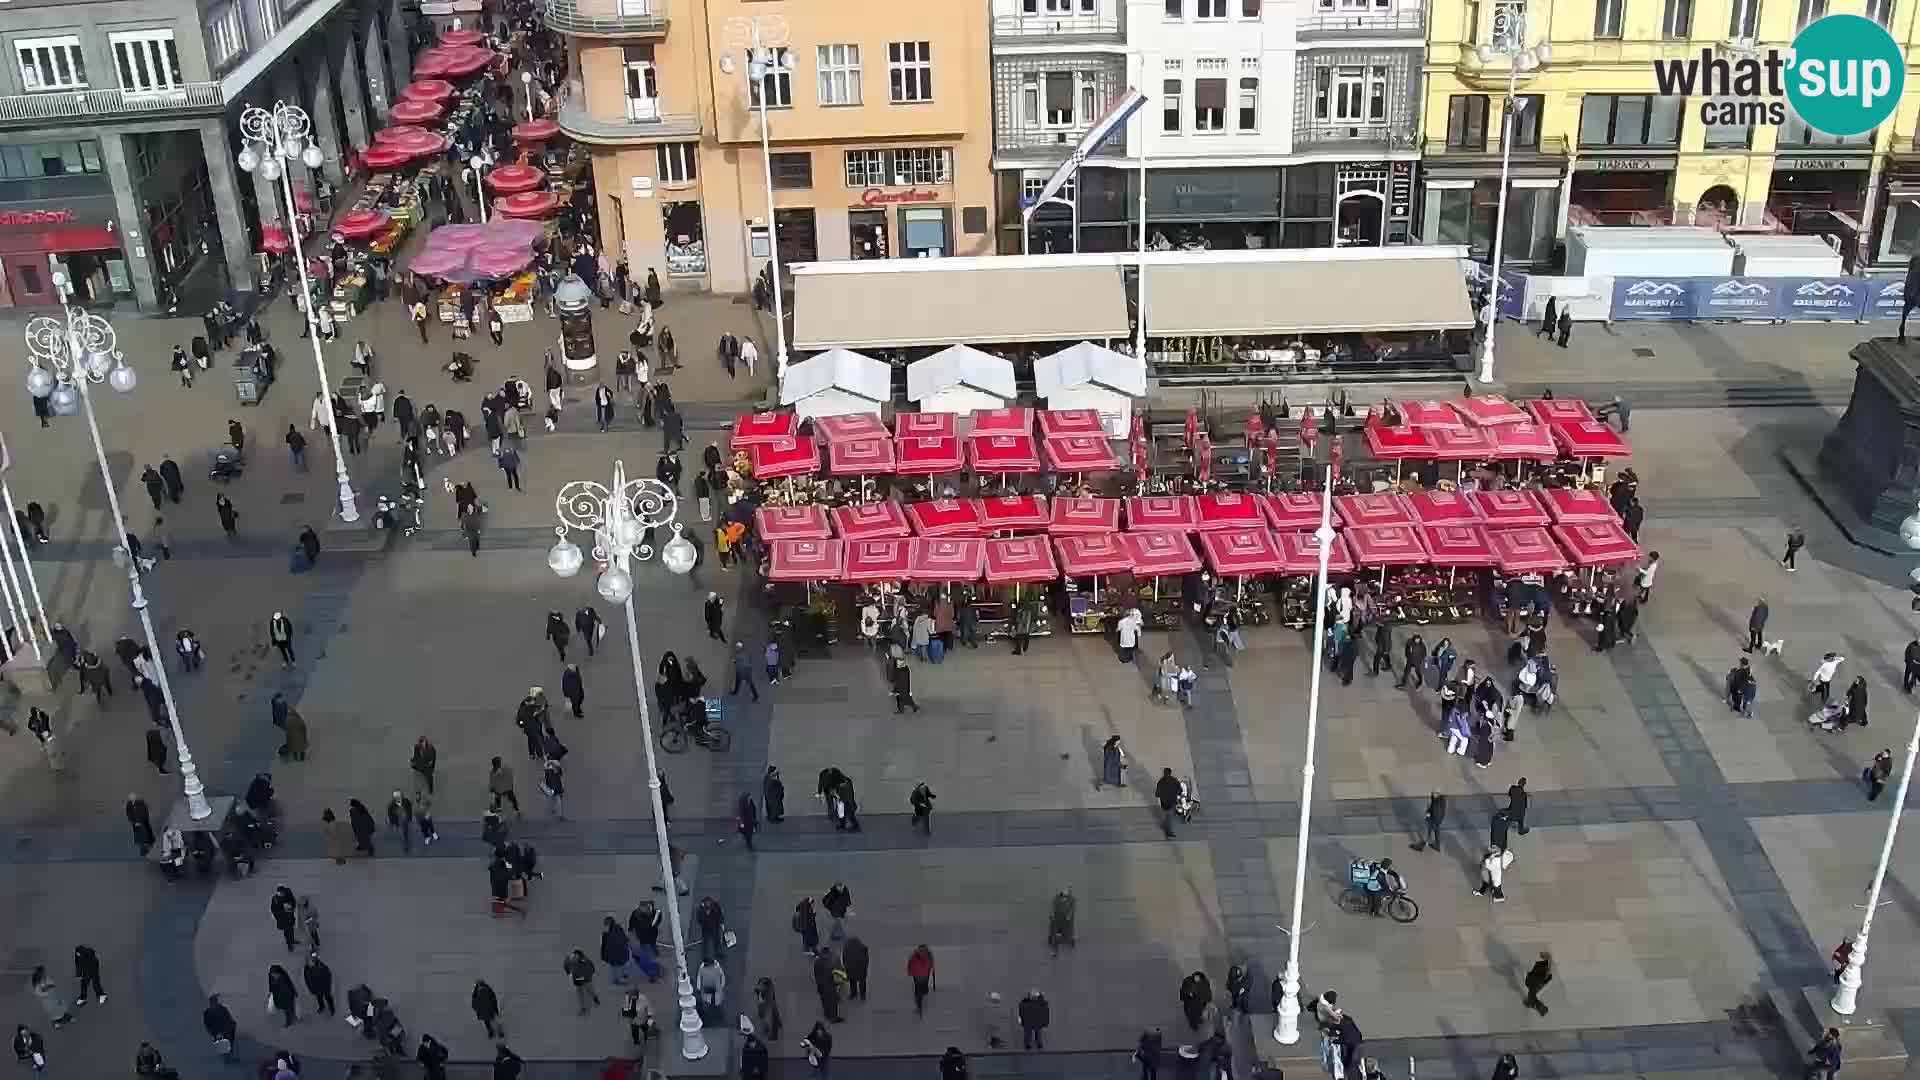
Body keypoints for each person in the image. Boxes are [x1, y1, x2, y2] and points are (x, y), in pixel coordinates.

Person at [564, 949, 600, 1014]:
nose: (574, 957)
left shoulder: (583, 962)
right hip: (584, 978)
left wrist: (569, 974)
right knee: (585, 990)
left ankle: (590, 1001)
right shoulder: (586, 960)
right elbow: (593, 969)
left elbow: (566, 965)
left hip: (582, 978)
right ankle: (591, 1000)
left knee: (584, 990)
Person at [202, 994, 237, 1059]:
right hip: (216, 1030)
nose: (214, 1003)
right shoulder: (208, 1012)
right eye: (213, 1002)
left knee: (228, 1037)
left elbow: (228, 1018)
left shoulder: (222, 1009)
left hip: (224, 1028)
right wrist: (211, 1030)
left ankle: (229, 1054)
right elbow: (206, 1023)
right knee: (221, 1040)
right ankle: (226, 1055)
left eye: (215, 1001)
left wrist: (232, 1023)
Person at [1155, 768, 1181, 838]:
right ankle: (1168, 831)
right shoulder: (1174, 781)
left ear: (1164, 773)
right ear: (1170, 773)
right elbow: (1180, 790)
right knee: (1169, 817)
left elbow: (1157, 794)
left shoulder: (1161, 781)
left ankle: (1166, 827)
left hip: (1164, 803)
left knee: (1167, 816)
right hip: (1172, 802)